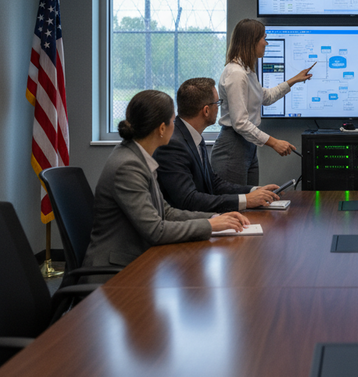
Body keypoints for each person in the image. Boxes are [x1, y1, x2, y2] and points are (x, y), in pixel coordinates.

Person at [82, 90, 249, 277]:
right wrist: (210, 226)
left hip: (136, 259)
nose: (175, 125)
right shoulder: (128, 165)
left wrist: (215, 218)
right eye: (173, 121)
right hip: (114, 272)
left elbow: (166, 212)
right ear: (162, 129)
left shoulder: (139, 156)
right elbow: (156, 230)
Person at [211, 18, 314, 186]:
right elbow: (241, 123)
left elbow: (265, 97)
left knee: (251, 203)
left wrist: (293, 80)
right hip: (233, 147)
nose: (266, 43)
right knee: (236, 205)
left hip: (247, 146)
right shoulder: (236, 74)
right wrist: (274, 143)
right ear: (251, 41)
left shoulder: (247, 71)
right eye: (263, 38)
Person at [155, 77, 281, 213]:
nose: (219, 107)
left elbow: (213, 183)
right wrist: (246, 200)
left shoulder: (193, 135)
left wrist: (254, 190)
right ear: (206, 110)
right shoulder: (173, 145)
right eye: (217, 103)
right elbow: (188, 200)